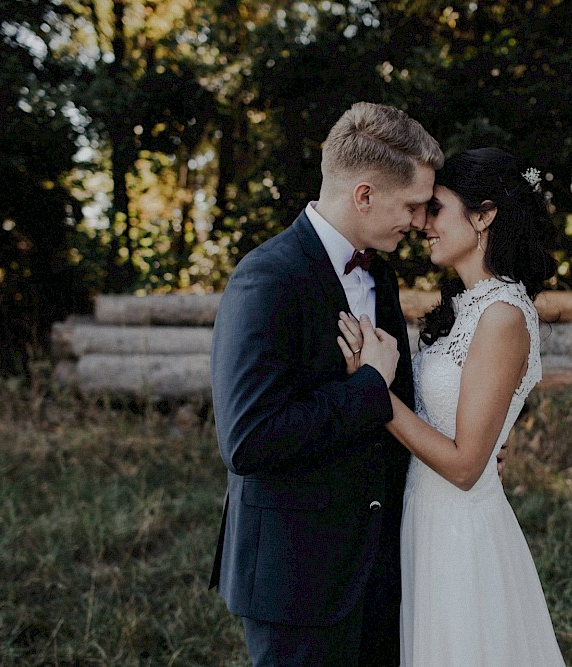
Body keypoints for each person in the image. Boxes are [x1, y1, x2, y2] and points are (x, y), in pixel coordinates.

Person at [208, 101, 444, 666]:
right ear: (364, 194)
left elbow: (396, 408)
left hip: (378, 568)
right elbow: (247, 441)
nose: (418, 221)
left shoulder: (378, 273)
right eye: (411, 205)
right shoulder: (267, 277)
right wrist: (365, 388)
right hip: (296, 580)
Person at [337, 147, 567, 665]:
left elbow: (465, 467)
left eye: (436, 208)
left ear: (484, 216)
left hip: (461, 536)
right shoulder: (467, 307)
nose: (423, 224)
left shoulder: (503, 315)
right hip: (424, 519)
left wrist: (375, 390)